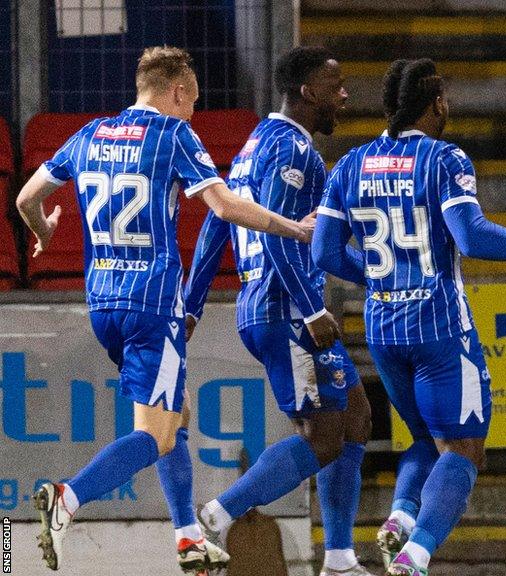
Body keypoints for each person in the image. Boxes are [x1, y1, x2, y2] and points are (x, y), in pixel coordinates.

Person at [16, 46, 314, 573]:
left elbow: (25, 200)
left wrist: (45, 232)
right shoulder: (174, 136)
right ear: (177, 92)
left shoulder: (89, 135)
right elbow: (224, 206)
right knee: (155, 434)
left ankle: (187, 537)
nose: (194, 113)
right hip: (153, 305)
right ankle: (69, 497)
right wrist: (294, 227)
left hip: (102, 303)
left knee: (175, 415)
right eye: (193, 102)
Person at [311, 58, 506, 576]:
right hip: (439, 327)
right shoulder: (444, 159)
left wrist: (380, 281)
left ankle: (400, 519)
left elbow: (325, 252)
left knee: (420, 438)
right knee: (464, 447)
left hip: (383, 327)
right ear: (437, 104)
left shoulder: (349, 164)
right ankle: (415, 556)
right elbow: (473, 237)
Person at [183, 46, 373, 576]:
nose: (344, 94)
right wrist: (313, 308)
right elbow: (284, 242)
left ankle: (338, 559)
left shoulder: (252, 147)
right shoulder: (294, 152)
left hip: (270, 306)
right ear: (308, 92)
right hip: (285, 310)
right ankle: (216, 517)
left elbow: (214, 229)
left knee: (355, 417)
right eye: (335, 84)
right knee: (323, 435)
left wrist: (194, 305)